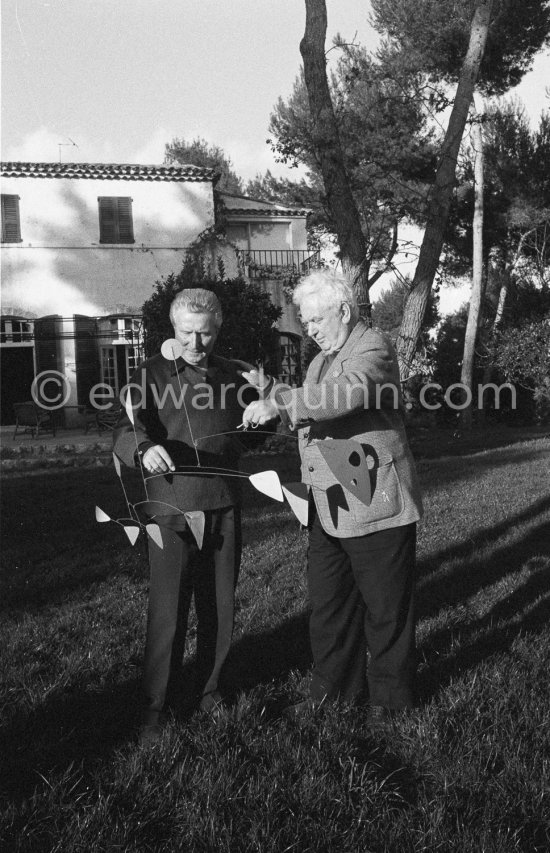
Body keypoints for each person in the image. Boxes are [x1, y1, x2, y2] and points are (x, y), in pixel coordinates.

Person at [242, 269, 423, 721]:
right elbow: (315, 401)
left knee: (385, 610)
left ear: (343, 310)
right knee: (329, 607)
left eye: (317, 321)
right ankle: (332, 693)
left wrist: (281, 403)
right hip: (327, 506)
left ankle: (390, 701)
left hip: (374, 501)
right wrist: (271, 392)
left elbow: (348, 393)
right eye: (306, 324)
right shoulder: (320, 360)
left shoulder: (373, 347)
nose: (311, 330)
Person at [113, 288, 255, 744]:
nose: (197, 343)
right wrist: (143, 448)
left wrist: (266, 415)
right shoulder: (150, 373)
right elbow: (125, 428)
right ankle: (155, 708)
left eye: (206, 334)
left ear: (218, 330)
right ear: (174, 330)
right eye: (187, 333)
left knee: (220, 608)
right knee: (168, 612)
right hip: (171, 509)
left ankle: (212, 693)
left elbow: (247, 435)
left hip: (224, 504)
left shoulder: (235, 375)